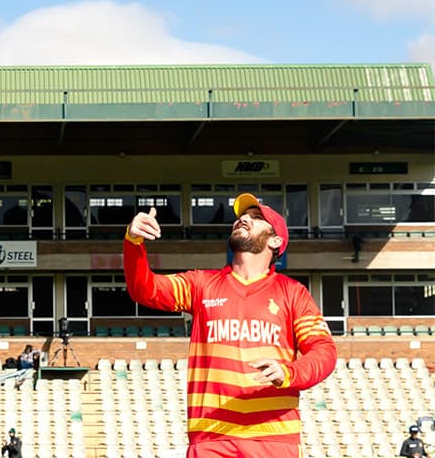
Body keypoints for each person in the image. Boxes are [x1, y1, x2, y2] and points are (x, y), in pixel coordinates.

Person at [124, 193, 336, 458]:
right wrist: (134, 242)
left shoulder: (293, 292)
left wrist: (289, 373)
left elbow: (324, 351)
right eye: (241, 216)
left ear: (275, 240)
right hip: (211, 438)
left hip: (273, 440)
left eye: (256, 217)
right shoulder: (200, 284)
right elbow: (144, 289)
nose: (244, 218)